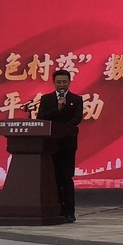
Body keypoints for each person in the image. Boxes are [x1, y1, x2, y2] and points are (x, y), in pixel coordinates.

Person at [35, 69, 83, 223]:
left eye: (64, 82)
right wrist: (58, 109)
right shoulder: (46, 99)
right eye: (58, 82)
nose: (61, 85)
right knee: (53, 177)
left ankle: (69, 212)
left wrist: (63, 128)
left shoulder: (76, 99)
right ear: (54, 83)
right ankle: (56, 210)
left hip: (67, 144)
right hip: (50, 145)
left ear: (69, 82)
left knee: (66, 178)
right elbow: (41, 117)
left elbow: (77, 119)